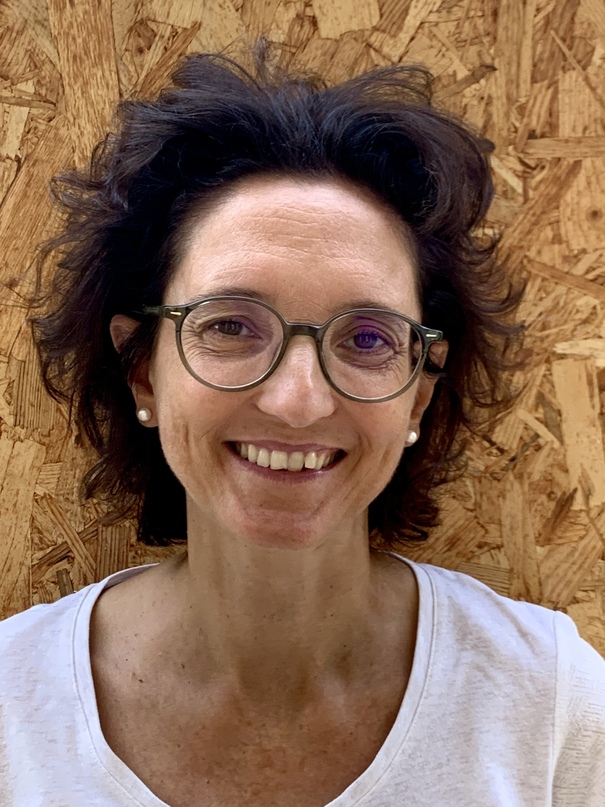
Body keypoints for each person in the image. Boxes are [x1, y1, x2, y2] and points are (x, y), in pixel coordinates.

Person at [1, 48, 604, 807]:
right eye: (229, 325)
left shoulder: (550, 707)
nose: (297, 401)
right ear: (143, 369)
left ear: (419, 393)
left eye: (367, 338)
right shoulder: (11, 709)